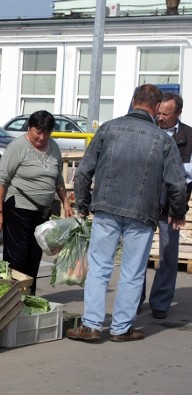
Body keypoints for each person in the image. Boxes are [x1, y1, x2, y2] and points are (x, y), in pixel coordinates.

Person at [68, 84, 188, 343]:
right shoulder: (162, 139)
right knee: (133, 271)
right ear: (157, 108)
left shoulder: (108, 129)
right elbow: (178, 183)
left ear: (133, 100)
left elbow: (84, 171)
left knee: (100, 267)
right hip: (142, 214)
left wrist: (83, 204)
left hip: (106, 210)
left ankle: (91, 325)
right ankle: (122, 329)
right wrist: (178, 211)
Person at [0, 110, 74, 295]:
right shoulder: (17, 146)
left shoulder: (53, 147)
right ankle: (11, 298)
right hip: (18, 207)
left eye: (47, 132)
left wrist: (65, 203)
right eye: (38, 131)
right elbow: (1, 179)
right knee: (17, 257)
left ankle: (29, 297)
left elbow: (58, 178)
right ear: (29, 128)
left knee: (34, 257)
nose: (42, 137)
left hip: (42, 211)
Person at [140, 92, 192, 319]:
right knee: (138, 255)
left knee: (169, 255)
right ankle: (134, 299)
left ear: (178, 113)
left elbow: (187, 176)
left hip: (172, 207)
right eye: (158, 112)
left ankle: (160, 303)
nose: (160, 118)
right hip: (144, 203)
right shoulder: (147, 131)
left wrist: (179, 207)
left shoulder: (189, 136)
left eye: (165, 114)